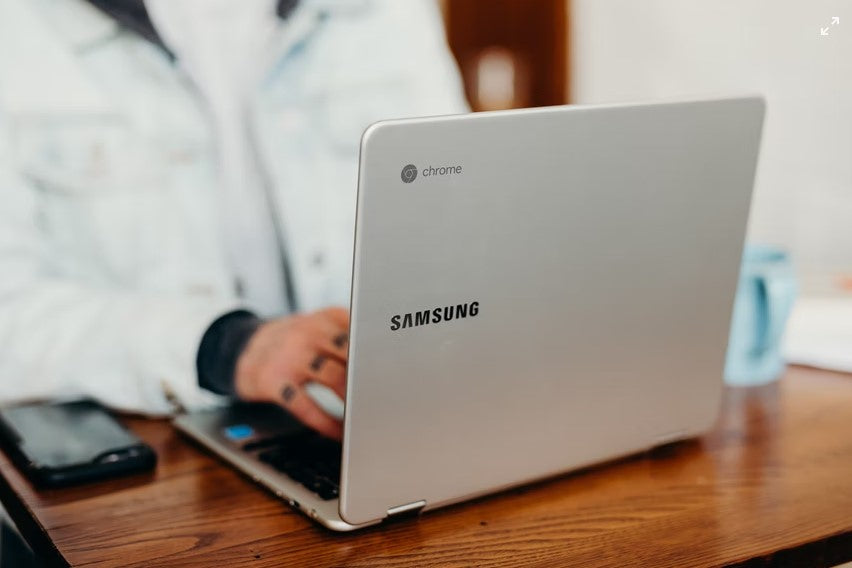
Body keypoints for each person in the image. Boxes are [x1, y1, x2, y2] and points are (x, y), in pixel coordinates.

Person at [0, 0, 468, 439]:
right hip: (166, 454)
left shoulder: (388, 11)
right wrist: (225, 349)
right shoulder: (21, 26)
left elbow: (459, 219)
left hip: (389, 422)